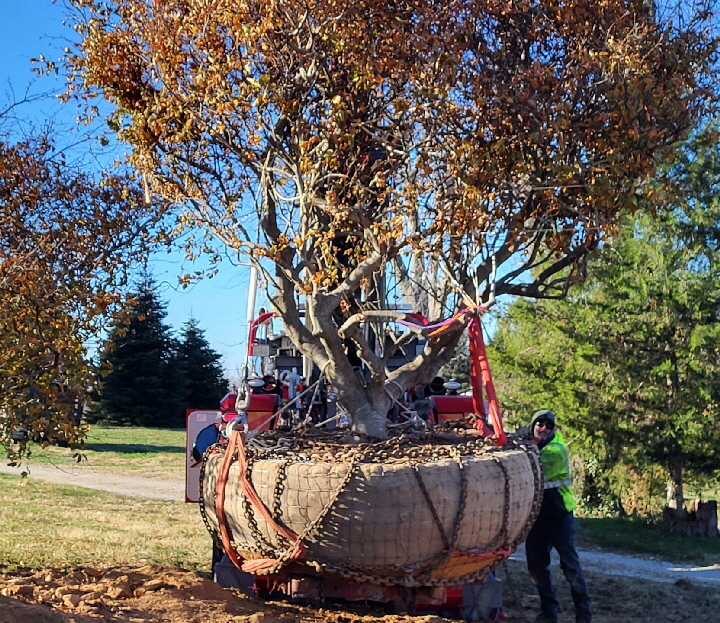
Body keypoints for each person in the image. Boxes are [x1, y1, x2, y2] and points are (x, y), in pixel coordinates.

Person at [526, 409, 592, 623]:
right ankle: (548, 613)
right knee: (536, 567)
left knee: (570, 566)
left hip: (559, 517)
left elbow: (532, 466)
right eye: (539, 424)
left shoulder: (555, 451)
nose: (543, 428)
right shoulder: (533, 446)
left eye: (548, 425)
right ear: (533, 425)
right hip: (537, 518)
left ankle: (583, 615)